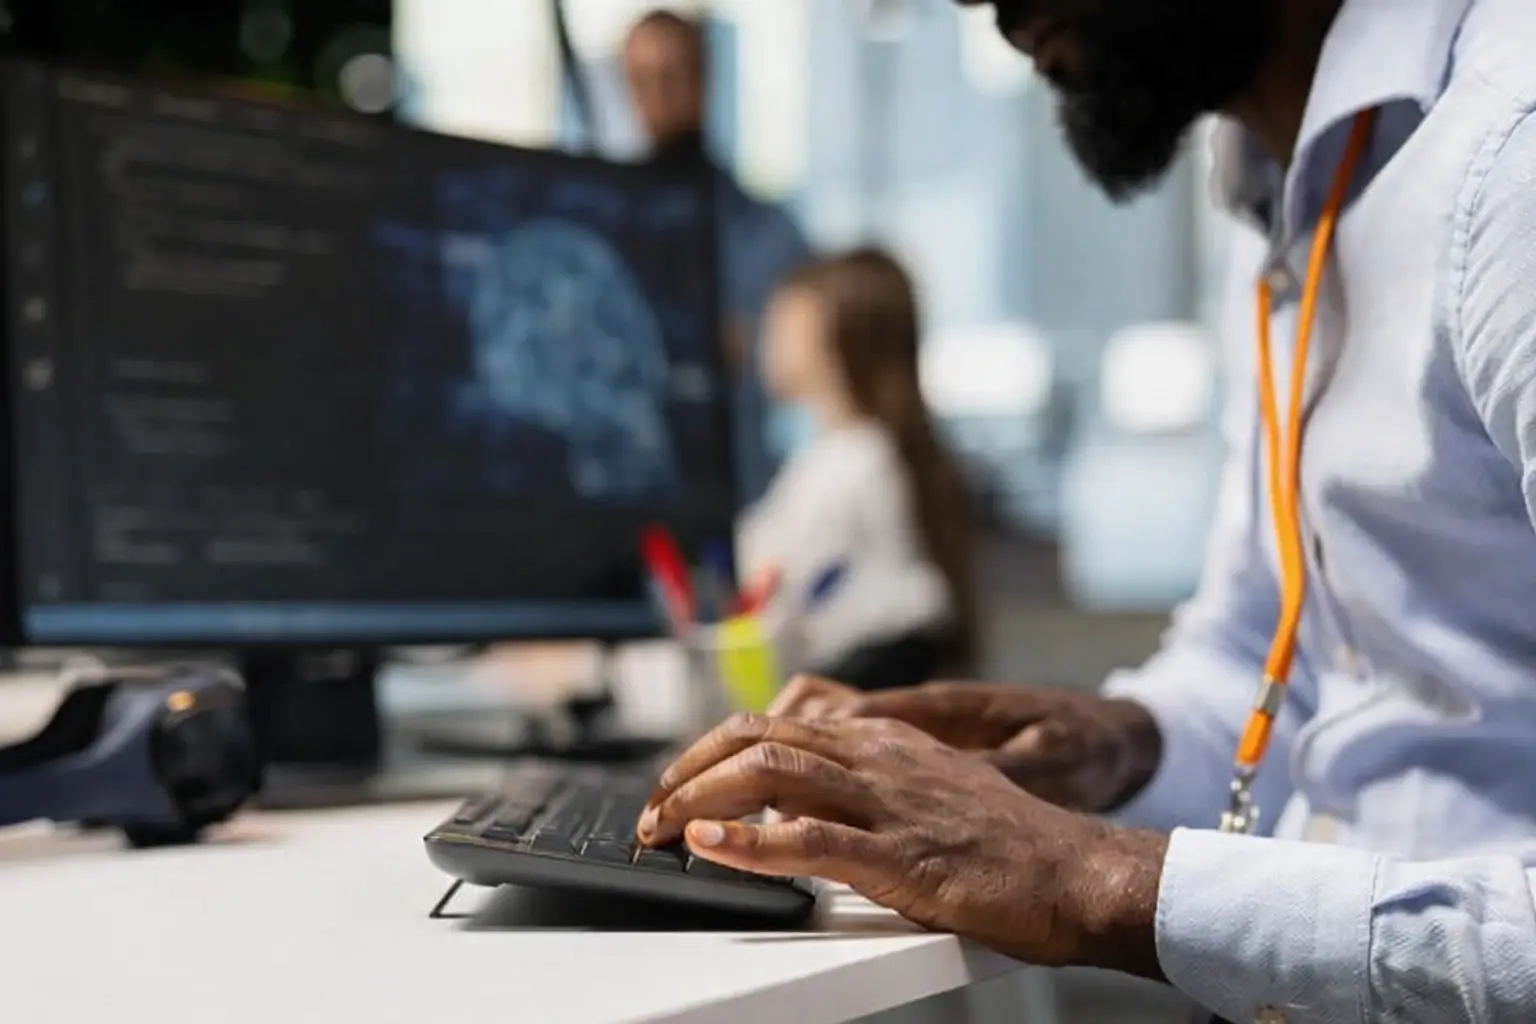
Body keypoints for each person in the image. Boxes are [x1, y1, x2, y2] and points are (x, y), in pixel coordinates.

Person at [635, 0, 1536, 1021]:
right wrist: (1115, 744)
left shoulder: (1508, 162)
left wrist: (1093, 878)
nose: (987, 10)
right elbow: (1265, 657)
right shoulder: (1281, 194)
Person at [737, 248, 977, 690]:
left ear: (830, 336)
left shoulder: (851, 465)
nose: (761, 341)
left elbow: (776, 606)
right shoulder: (870, 454)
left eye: (781, 325)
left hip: (845, 690)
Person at [622, 9, 814, 508]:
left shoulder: (769, 232)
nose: (661, 96)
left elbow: (812, 374)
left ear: (705, 77)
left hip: (745, 495)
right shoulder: (610, 228)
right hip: (633, 500)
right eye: (644, 81)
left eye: (674, 75)